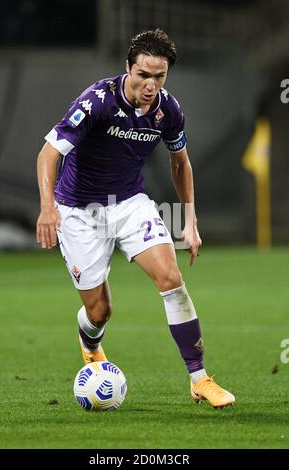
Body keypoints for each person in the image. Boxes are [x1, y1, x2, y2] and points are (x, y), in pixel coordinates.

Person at [36, 29, 235, 408]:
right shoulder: (97, 101)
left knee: (171, 278)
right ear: (128, 67)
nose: (150, 84)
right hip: (79, 211)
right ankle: (90, 341)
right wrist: (48, 207)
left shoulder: (168, 110)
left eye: (158, 77)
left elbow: (181, 163)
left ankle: (199, 378)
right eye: (143, 74)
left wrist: (189, 221)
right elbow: (48, 154)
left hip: (129, 203)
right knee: (100, 310)